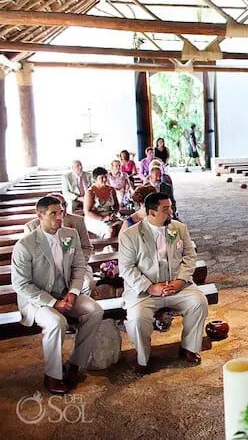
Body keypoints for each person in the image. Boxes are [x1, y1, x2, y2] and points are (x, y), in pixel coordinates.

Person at [11, 196, 103, 394]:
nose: (59, 217)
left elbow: (79, 266)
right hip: (37, 300)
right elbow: (21, 284)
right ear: (40, 216)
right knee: (56, 322)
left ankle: (75, 363)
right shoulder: (25, 245)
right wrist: (53, 302)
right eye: (53, 213)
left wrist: (73, 292)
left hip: (65, 293)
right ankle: (52, 375)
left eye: (61, 212)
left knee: (95, 310)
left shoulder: (70, 234)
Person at [118, 192, 208, 375]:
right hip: (144, 291)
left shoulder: (179, 228)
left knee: (199, 302)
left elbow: (190, 256)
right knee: (136, 318)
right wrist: (150, 287)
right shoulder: (130, 235)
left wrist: (180, 281)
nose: (171, 212)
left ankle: (189, 348)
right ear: (151, 212)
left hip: (177, 286)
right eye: (166, 209)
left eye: (171, 207)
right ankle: (143, 358)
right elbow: (126, 268)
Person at [24, 193, 95, 296]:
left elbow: (87, 247)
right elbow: (31, 258)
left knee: (89, 284)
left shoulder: (77, 221)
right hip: (47, 270)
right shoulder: (31, 227)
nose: (61, 210)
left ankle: (79, 302)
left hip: (76, 265)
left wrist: (75, 264)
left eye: (64, 205)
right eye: (53, 212)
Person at [84, 167, 120, 238]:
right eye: (102, 177)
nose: (105, 179)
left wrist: (114, 213)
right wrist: (103, 218)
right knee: (110, 230)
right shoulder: (90, 192)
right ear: (95, 179)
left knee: (124, 226)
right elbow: (87, 212)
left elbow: (116, 205)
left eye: (106, 177)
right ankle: (107, 246)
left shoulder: (111, 190)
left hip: (110, 217)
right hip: (95, 219)